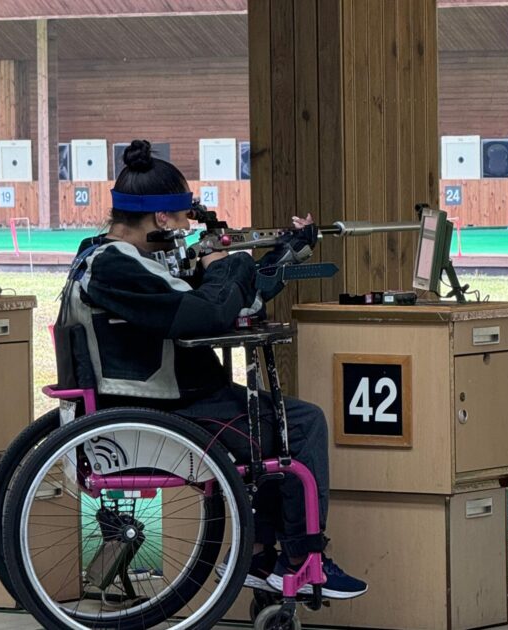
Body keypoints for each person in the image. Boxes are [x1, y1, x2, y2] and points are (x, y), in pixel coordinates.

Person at [54, 139, 367, 600]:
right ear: (162, 218)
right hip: (159, 413)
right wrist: (225, 262)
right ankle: (300, 559)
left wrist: (287, 251)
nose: (185, 227)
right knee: (301, 426)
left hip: (162, 403)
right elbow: (209, 311)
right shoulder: (117, 268)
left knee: (275, 421)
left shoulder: (108, 256)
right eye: (182, 218)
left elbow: (236, 296)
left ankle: (262, 556)